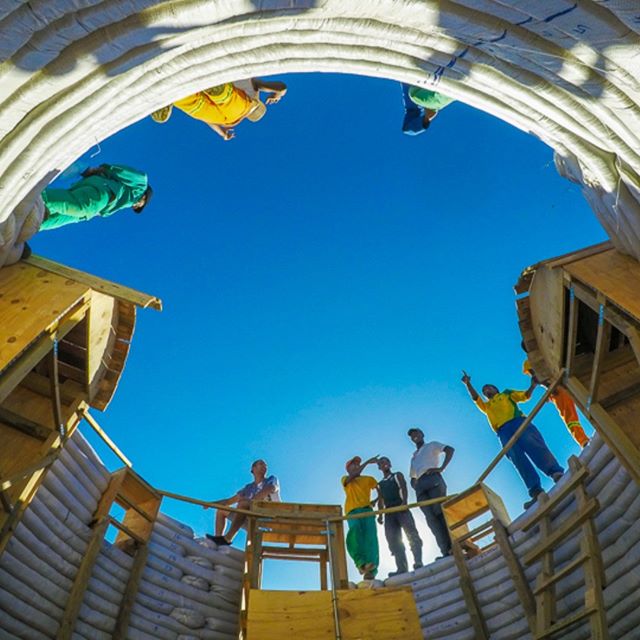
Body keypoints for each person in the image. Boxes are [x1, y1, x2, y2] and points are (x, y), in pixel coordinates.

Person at [461, 371, 564, 509]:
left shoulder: (506, 394)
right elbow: (475, 398)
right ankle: (536, 490)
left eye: (489, 387)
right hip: (503, 431)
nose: (486, 390)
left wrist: (532, 386)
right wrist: (468, 384)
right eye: (484, 390)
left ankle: (555, 472)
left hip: (518, 422)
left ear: (496, 389)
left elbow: (525, 396)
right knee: (517, 458)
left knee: (534, 445)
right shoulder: (487, 406)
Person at [151, 78, 287, 140]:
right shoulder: (234, 120)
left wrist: (277, 95)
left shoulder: (254, 91)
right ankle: (173, 97)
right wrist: (223, 134)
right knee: (197, 107)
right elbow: (209, 122)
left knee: (226, 98)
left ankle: (219, 91)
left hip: (239, 106)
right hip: (223, 120)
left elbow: (282, 87)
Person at [40, 164, 152, 231]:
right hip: (101, 193)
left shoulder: (125, 201)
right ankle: (36, 199)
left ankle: (28, 225)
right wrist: (101, 169)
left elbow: (105, 212)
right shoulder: (141, 186)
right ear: (144, 197)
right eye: (141, 205)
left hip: (93, 209)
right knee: (80, 206)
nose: (136, 207)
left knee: (55, 219)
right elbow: (136, 175)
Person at [206, 459, 280, 545]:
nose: (264, 466)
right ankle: (218, 541)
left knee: (243, 503)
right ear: (253, 469)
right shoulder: (248, 488)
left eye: (265, 465)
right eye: (261, 464)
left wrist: (250, 502)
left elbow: (270, 488)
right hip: (251, 521)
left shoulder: (271, 479)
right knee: (221, 510)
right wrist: (211, 504)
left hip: (267, 522)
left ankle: (227, 538)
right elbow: (229, 501)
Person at [408, 428, 454, 558]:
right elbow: (412, 476)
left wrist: (441, 468)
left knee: (441, 513)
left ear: (422, 434)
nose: (414, 436)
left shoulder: (432, 445)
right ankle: (445, 551)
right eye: (412, 436)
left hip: (432, 478)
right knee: (431, 520)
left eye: (416, 433)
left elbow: (450, 450)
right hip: (420, 486)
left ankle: (454, 546)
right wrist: (415, 485)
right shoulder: (414, 456)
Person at [522, 358, 589, 448]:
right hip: (563, 387)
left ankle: (583, 441)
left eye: (530, 371)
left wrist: (547, 391)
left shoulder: (541, 374)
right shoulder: (546, 369)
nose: (531, 374)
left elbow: (553, 389)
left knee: (570, 420)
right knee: (583, 406)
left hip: (560, 391)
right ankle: (585, 439)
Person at [376, 456, 423, 576]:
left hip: (400, 507)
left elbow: (403, 487)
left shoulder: (397, 475)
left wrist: (404, 503)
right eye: (381, 463)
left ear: (390, 464)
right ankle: (401, 568)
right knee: (392, 539)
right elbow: (381, 500)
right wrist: (380, 515)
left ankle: (418, 561)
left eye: (386, 461)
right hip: (389, 513)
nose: (384, 464)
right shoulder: (380, 484)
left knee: (411, 533)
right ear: (379, 467)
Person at [342, 455, 381, 579]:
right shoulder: (346, 479)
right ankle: (360, 563)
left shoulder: (369, 479)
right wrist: (368, 462)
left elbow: (381, 492)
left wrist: (377, 502)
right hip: (352, 511)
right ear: (348, 469)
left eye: (357, 464)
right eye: (353, 464)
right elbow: (354, 475)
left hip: (367, 511)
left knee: (371, 539)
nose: (357, 466)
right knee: (355, 534)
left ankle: (371, 570)